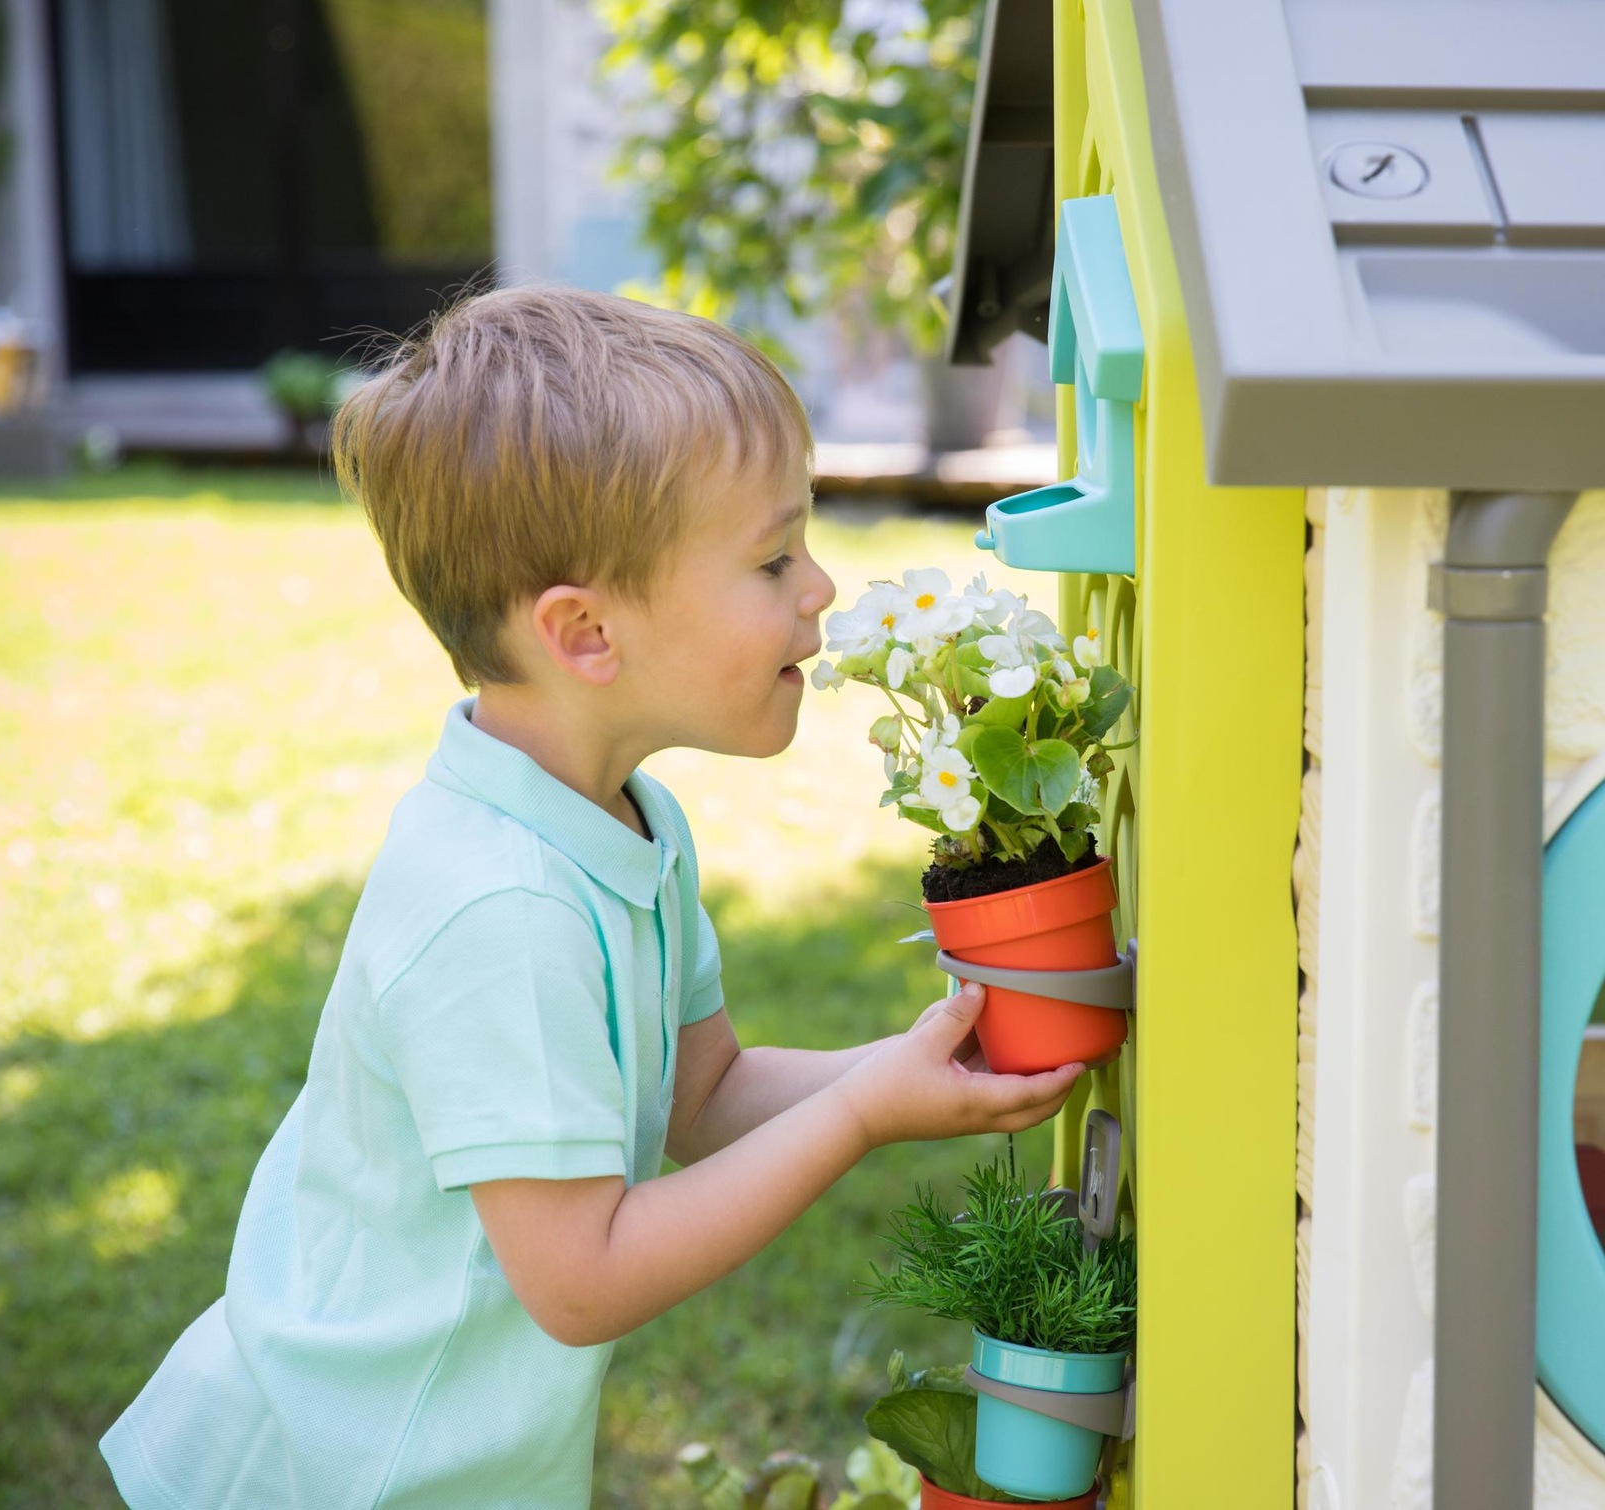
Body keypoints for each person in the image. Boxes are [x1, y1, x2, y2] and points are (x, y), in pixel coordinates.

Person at [99, 287, 1084, 1509]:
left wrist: (915, 1063)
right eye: (773, 558)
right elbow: (582, 1280)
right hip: (341, 1471)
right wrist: (860, 1117)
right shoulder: (499, 910)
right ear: (585, 634)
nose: (821, 587)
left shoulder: (625, 823)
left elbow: (703, 1095)